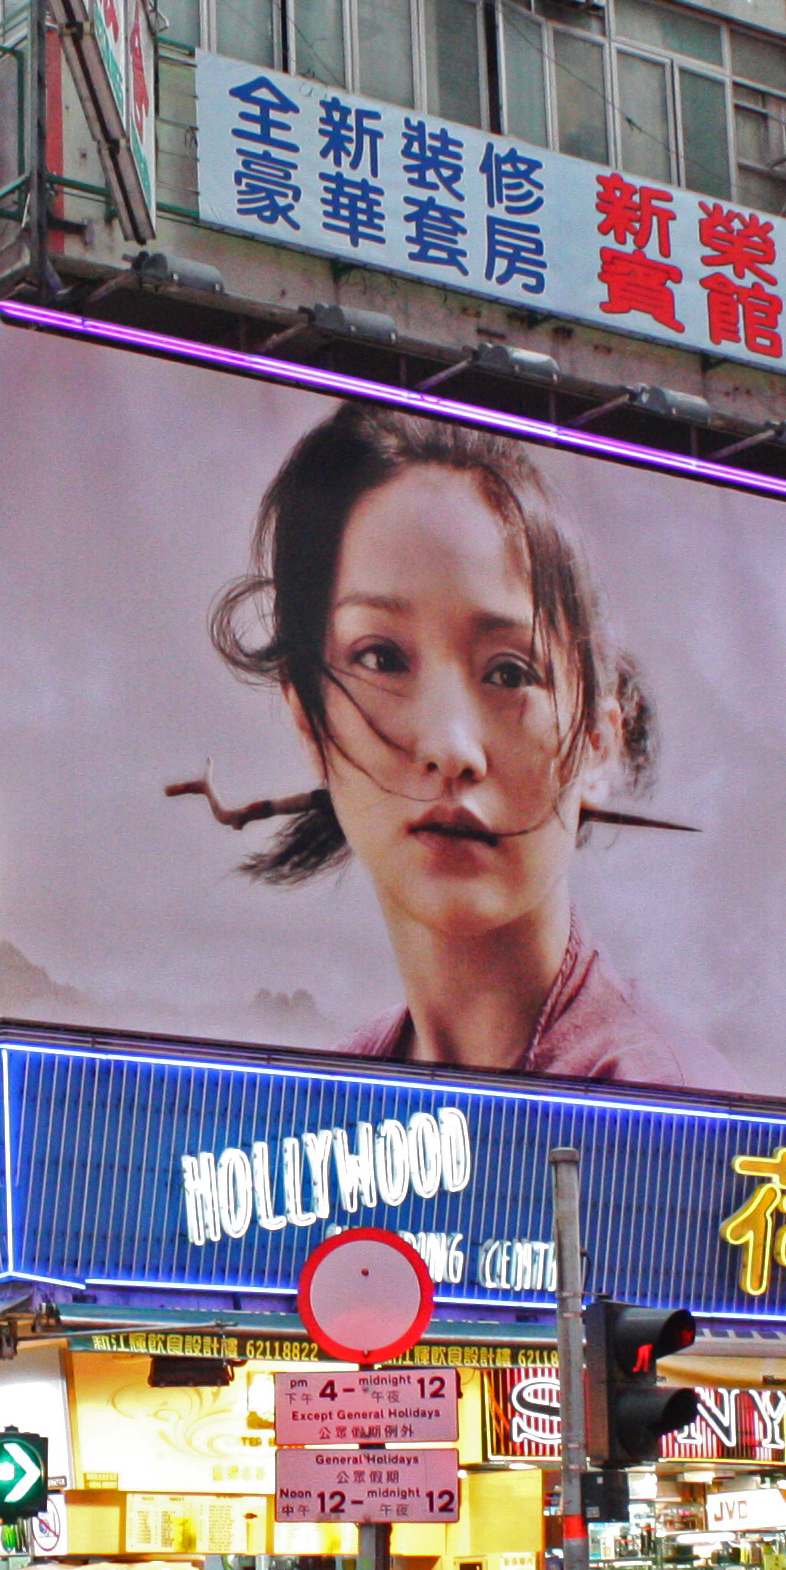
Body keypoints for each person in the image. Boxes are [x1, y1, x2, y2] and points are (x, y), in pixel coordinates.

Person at [199, 402, 726, 1083]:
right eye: (381, 659)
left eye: (510, 673)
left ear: (599, 742)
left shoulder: (655, 1100)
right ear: (309, 721)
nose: (451, 749)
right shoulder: (333, 1099)